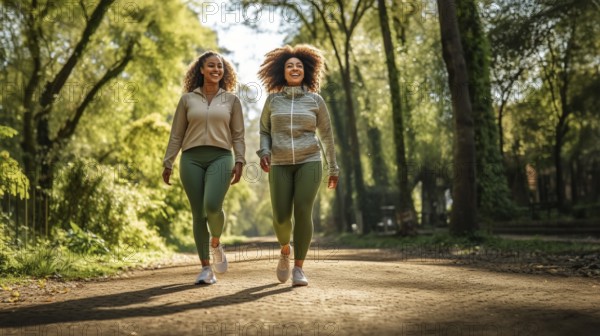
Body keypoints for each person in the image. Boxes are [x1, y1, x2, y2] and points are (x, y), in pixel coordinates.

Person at [256, 44, 339, 287]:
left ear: (307, 71)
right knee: (281, 218)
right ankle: (285, 249)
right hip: (279, 163)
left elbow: (326, 136)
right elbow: (264, 130)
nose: (294, 68)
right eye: (290, 65)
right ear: (282, 72)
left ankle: (299, 268)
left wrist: (333, 167)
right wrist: (264, 151)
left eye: (299, 66)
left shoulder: (316, 100)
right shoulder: (273, 100)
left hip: (310, 161)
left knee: (303, 210)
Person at [162, 51, 245, 285]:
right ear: (201, 69)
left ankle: (216, 243)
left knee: (212, 206)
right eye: (211, 66)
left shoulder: (231, 100)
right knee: (198, 214)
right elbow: (176, 134)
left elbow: (238, 134)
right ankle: (206, 268)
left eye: (220, 66)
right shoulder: (187, 99)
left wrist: (240, 160)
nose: (216, 70)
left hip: (221, 157)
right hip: (191, 159)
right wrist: (168, 161)